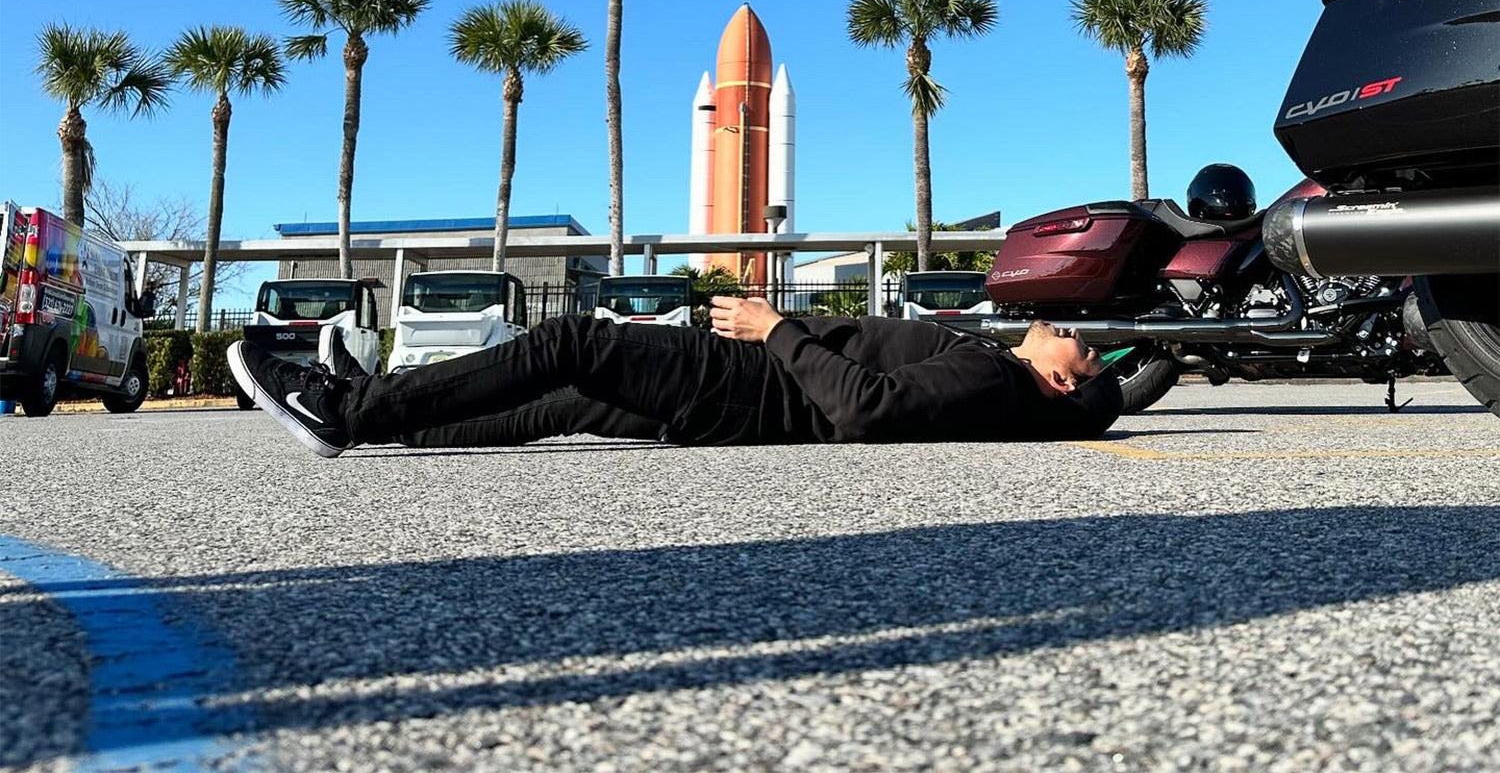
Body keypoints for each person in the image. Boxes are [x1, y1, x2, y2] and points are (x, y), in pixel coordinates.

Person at [226, 296, 1122, 459]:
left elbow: (863, 413)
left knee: (574, 342)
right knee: (569, 403)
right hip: (750, 389)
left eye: (1082, 353)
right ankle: (380, 418)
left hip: (749, 383)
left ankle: (349, 408)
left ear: (1059, 388)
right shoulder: (999, 372)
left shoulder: (993, 383)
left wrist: (776, 331)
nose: (1078, 333)